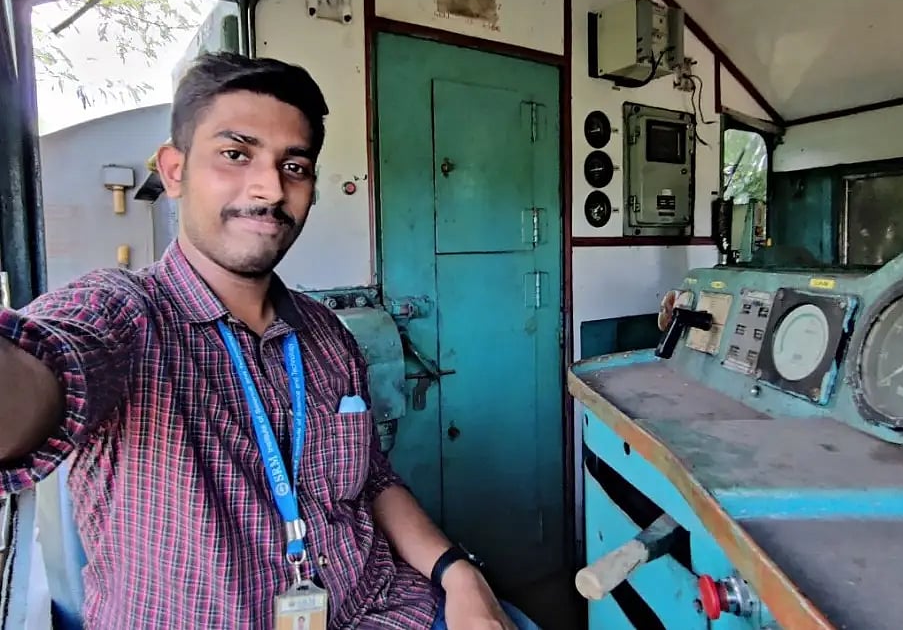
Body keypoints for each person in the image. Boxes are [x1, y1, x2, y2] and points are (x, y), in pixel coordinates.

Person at [0, 52, 538, 630]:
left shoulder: (327, 334)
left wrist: (459, 574)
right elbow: (41, 371)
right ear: (174, 171)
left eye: (295, 166)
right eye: (236, 154)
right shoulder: (126, 316)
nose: (269, 188)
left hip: (383, 609)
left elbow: (373, 480)